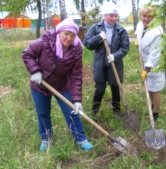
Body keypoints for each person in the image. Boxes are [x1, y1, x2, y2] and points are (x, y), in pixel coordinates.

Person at [22, 18, 93, 151]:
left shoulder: (76, 50)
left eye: (72, 35)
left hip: (62, 86)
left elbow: (76, 75)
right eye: (66, 34)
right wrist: (35, 70)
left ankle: (81, 139)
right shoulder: (44, 42)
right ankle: (46, 138)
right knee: (43, 113)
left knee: (72, 112)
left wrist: (77, 99)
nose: (69, 38)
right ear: (59, 32)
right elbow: (27, 54)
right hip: (40, 85)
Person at [84, 2, 130, 118]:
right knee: (100, 89)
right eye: (111, 16)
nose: (114, 18)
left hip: (115, 63)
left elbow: (125, 48)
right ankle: (94, 112)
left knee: (115, 88)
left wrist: (115, 56)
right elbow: (88, 44)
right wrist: (99, 37)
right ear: (105, 15)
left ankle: (116, 112)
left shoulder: (121, 30)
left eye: (116, 16)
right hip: (100, 64)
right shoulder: (95, 28)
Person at [135, 4, 165, 121]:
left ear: (155, 17)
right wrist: (138, 40)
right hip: (146, 60)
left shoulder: (158, 32)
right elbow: (139, 33)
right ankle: (152, 106)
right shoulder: (140, 25)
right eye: (144, 16)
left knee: (155, 88)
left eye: (150, 16)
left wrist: (146, 70)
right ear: (140, 15)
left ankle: (156, 113)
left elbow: (154, 53)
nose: (146, 19)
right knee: (150, 86)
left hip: (156, 63)